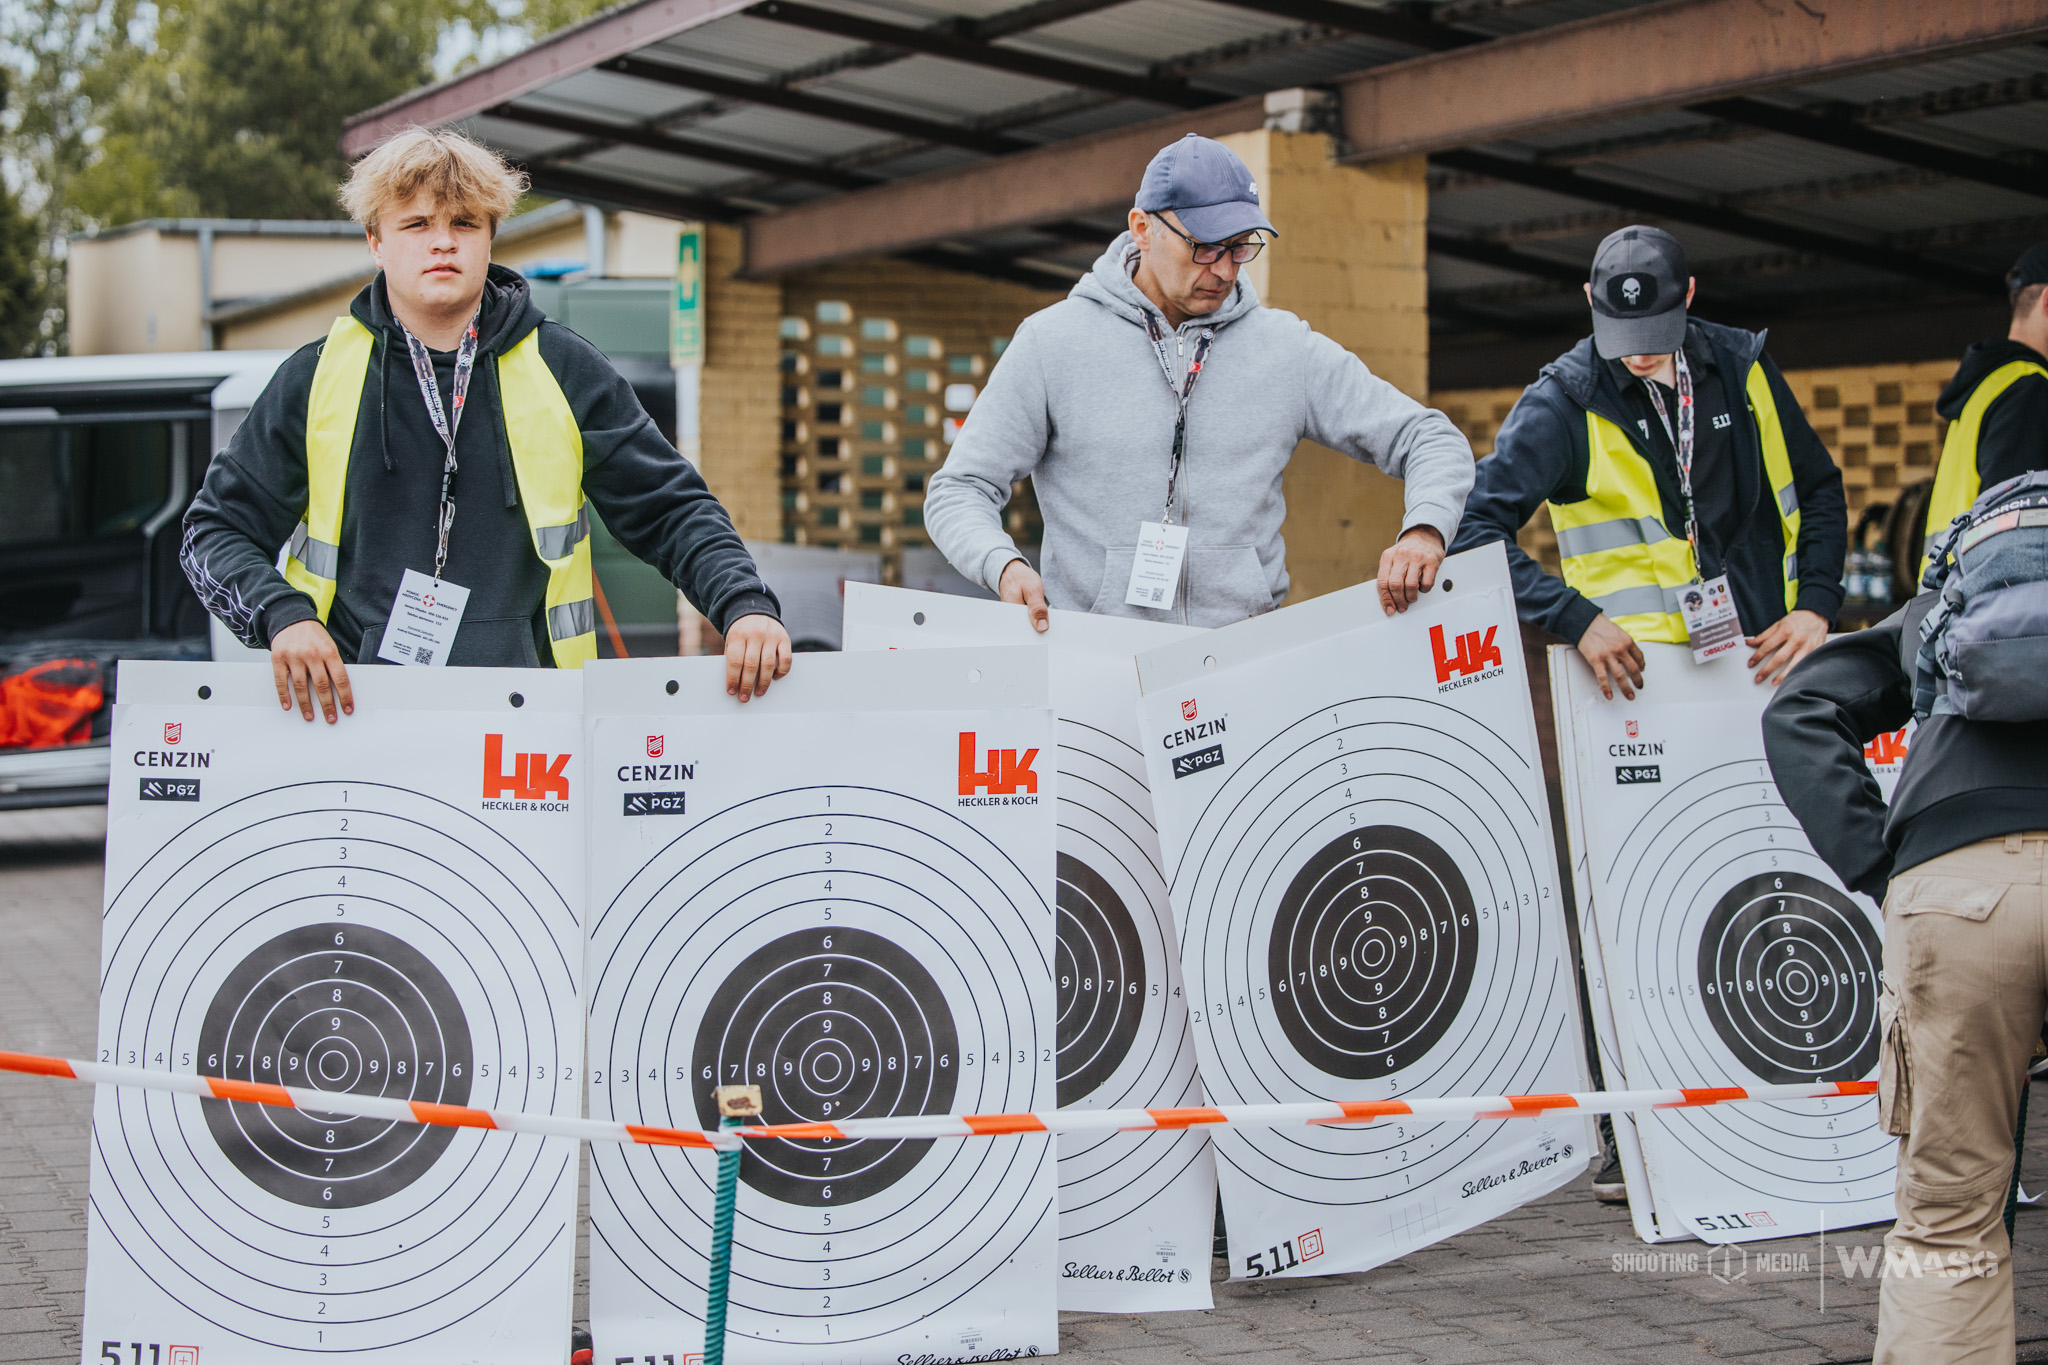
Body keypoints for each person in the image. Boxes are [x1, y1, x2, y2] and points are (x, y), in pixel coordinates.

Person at [182, 128, 789, 720]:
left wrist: (744, 604)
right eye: (417, 224)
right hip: (354, 721)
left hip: (529, 730)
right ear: (376, 241)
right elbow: (212, 533)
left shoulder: (565, 366)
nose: (442, 243)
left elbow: (672, 508)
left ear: (491, 238)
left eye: (464, 224)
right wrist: (283, 616)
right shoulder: (315, 378)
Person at [923, 133, 1475, 630]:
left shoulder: (1286, 349)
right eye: (1205, 246)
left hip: (1243, 662)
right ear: (1142, 228)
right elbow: (959, 488)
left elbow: (1430, 438)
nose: (1227, 269)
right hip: (1097, 658)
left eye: (1241, 246)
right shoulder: (1052, 344)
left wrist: (1424, 529)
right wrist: (1003, 565)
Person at [1764, 580, 2048, 1364]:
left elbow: (1800, 709)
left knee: (1951, 1218)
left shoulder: (1960, 594)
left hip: (1960, 886)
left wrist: (1889, 873)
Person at [1451, 226, 1847, 701]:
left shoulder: (1744, 367)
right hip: (1640, 680)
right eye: (1622, 332)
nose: (1638, 352)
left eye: (1656, 331)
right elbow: (1469, 526)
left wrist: (1817, 605)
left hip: (1770, 660)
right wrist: (1575, 619)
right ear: (1589, 300)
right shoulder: (1562, 403)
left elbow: (1819, 487)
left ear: (1691, 293)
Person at [1922, 243, 2048, 560]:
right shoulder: (2029, 390)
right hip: (1991, 599)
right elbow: (2020, 533)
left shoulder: (1988, 385)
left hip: (1953, 595)